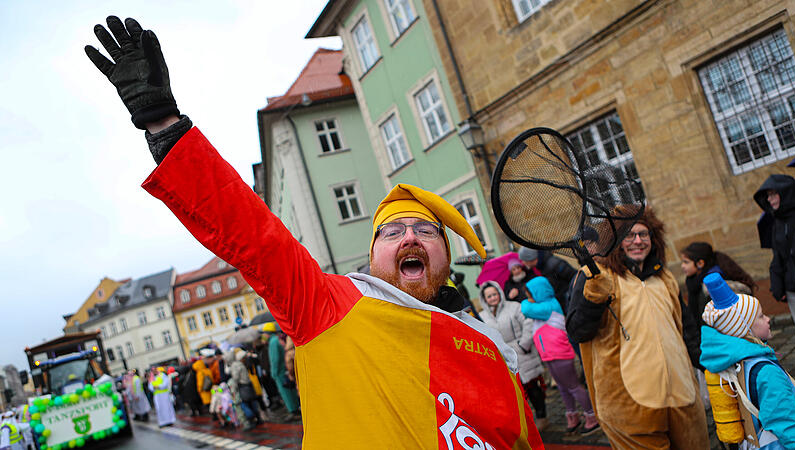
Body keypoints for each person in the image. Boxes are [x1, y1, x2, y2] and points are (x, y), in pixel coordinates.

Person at [84, 16, 543, 448]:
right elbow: (252, 233)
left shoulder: (488, 345)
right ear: (372, 257)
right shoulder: (328, 305)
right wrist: (166, 126)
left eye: (426, 230)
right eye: (392, 232)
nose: (410, 238)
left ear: (445, 254)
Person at [567, 206, 708, 448]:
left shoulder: (664, 277)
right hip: (630, 407)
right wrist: (593, 300)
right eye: (629, 235)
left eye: (644, 234)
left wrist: (709, 363)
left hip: (683, 399)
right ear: (615, 241)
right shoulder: (595, 276)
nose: (638, 241)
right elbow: (577, 332)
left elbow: (687, 331)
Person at [700, 273, 795, 448]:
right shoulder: (767, 372)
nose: (767, 319)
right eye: (760, 316)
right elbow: (787, 424)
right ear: (744, 329)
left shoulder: (732, 362)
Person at [523, 277, 598, 435]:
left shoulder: (548, 306)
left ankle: (592, 417)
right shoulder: (545, 306)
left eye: (530, 294)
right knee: (564, 388)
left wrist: (526, 301)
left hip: (558, 354)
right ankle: (573, 416)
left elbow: (526, 309)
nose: (529, 298)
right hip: (550, 355)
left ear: (538, 292)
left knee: (573, 387)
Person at [477, 281, 548, 429]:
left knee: (532, 388)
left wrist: (524, 344)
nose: (493, 298)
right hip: (501, 358)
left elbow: (528, 323)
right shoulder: (482, 317)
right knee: (514, 394)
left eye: (494, 294)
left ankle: (542, 416)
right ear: (484, 299)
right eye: (489, 296)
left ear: (499, 293)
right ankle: (525, 423)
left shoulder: (514, 307)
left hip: (522, 353)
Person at [680, 241, 757, 370]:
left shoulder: (711, 287)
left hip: (723, 345)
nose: (682, 266)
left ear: (700, 263)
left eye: (686, 262)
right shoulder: (694, 281)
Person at [755, 174, 795, 337]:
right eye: (768, 196)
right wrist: (777, 285)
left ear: (785, 192)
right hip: (793, 291)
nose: (769, 199)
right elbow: (778, 257)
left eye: (773, 194)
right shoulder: (777, 223)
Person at [519, 248, 577, 314]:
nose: (522, 263)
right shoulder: (542, 266)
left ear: (530, 258)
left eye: (523, 260)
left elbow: (574, 276)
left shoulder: (553, 264)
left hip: (571, 299)